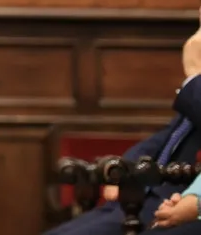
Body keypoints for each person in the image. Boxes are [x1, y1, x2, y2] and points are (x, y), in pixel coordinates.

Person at [43, 18, 201, 235]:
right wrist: (124, 168)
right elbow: (174, 133)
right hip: (140, 196)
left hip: (180, 202)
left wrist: (195, 77)